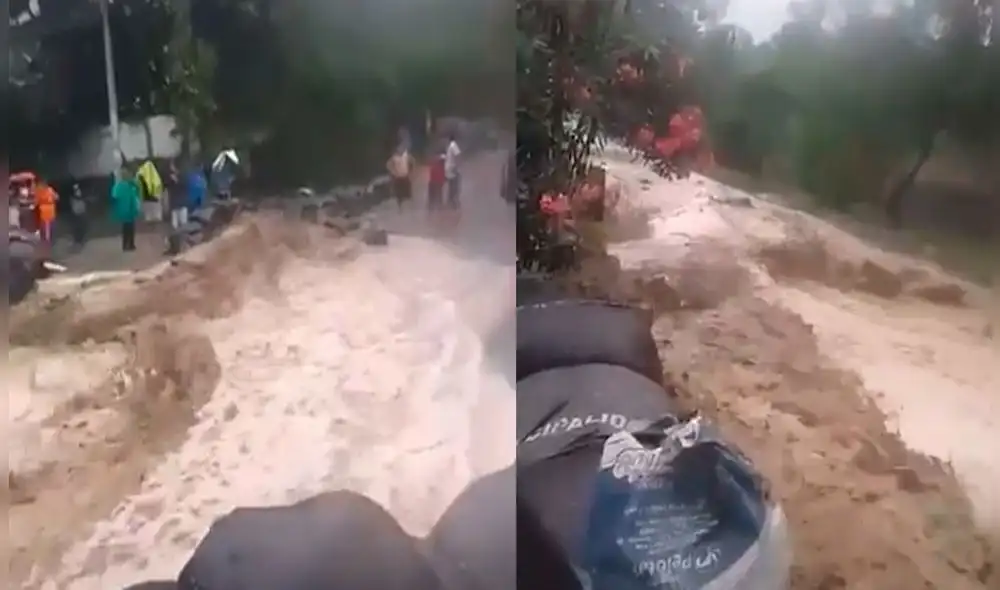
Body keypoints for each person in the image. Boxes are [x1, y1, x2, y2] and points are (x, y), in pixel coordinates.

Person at [111, 169, 142, 252]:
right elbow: (138, 191)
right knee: (130, 228)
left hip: (126, 210)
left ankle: (126, 245)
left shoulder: (120, 185)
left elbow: (114, 197)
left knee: (126, 228)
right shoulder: (130, 185)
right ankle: (130, 244)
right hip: (129, 209)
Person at [387, 145, 415, 210]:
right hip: (398, 177)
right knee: (399, 194)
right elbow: (388, 165)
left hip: (405, 176)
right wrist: (393, 172)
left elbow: (412, 162)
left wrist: (411, 171)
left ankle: (408, 208)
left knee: (407, 194)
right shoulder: (394, 157)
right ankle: (400, 208)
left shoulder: (407, 156)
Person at [35, 180, 58, 244]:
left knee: (46, 225)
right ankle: (50, 238)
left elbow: (36, 201)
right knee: (50, 224)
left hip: (44, 210)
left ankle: (47, 239)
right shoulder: (50, 190)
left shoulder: (39, 191)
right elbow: (56, 197)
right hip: (51, 209)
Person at [444, 132, 462, 210]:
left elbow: (457, 155)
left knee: (452, 186)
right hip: (451, 170)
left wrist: (456, 167)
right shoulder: (452, 145)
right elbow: (457, 155)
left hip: (451, 169)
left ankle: (452, 202)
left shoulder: (452, 146)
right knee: (453, 186)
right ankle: (452, 203)